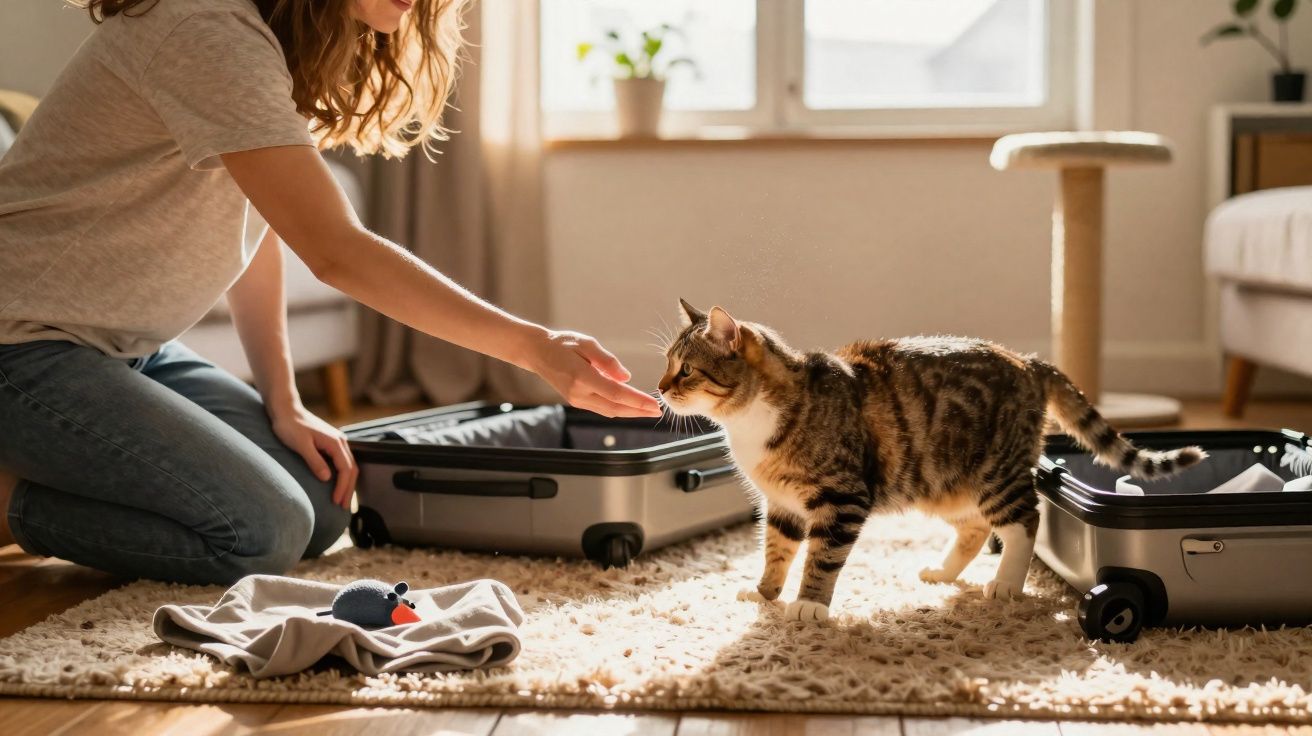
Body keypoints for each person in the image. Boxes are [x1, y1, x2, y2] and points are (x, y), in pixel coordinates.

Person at [0, 0, 661, 585]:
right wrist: (537, 349)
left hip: (126, 350)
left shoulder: (267, 46)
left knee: (320, 508)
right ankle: (7, 504)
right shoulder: (205, 29)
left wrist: (284, 402)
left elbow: (254, 229)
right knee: (262, 531)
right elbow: (335, 252)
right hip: (21, 347)